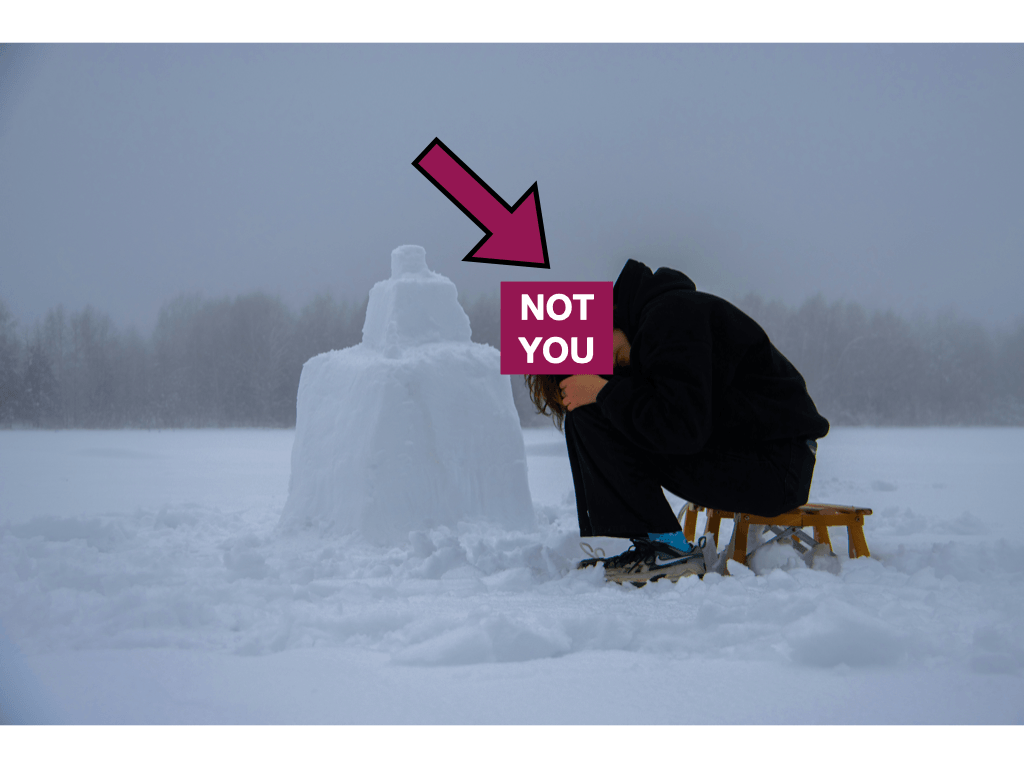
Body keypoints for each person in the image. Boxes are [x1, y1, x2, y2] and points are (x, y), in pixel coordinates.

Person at [525, 259, 830, 585]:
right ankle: (656, 543)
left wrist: (602, 392)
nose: (607, 371)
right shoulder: (655, 321)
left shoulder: (670, 317)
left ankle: (666, 548)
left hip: (775, 469)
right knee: (596, 412)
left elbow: (681, 429)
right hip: (761, 458)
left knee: (597, 411)